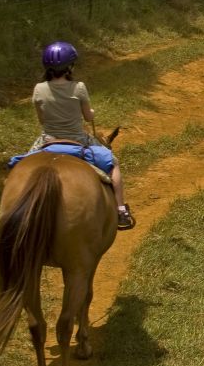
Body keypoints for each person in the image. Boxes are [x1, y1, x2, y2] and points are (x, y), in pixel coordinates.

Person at [30, 41, 135, 230]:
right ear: (70, 67)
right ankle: (121, 211)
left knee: (21, 165)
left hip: (48, 141)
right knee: (113, 163)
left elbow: (42, 120)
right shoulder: (78, 87)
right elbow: (88, 117)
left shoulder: (39, 89)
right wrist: (91, 113)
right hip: (78, 140)